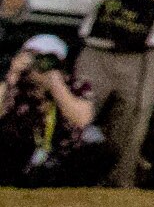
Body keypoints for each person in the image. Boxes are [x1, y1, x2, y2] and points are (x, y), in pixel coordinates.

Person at [3, 33, 111, 187]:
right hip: (20, 152)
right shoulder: (16, 83)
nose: (38, 64)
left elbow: (82, 119)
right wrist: (11, 76)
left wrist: (55, 84)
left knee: (98, 145)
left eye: (47, 59)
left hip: (60, 156)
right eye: (32, 56)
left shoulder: (75, 86)